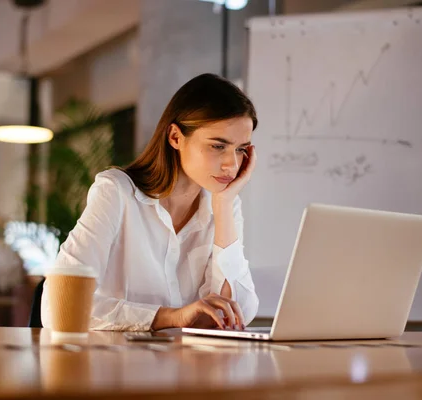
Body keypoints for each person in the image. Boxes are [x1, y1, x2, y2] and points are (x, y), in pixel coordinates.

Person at [41, 73, 259, 331]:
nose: (232, 164)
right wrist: (172, 317)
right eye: (218, 146)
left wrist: (223, 206)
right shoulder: (117, 193)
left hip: (191, 367)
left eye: (240, 149)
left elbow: (235, 311)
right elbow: (59, 307)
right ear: (176, 137)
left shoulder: (226, 204)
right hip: (114, 366)